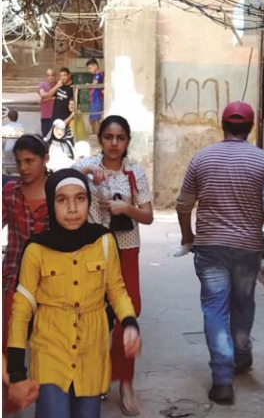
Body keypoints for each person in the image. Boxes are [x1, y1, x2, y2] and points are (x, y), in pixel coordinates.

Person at [6, 168, 142, 418]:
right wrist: (16, 370)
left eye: (79, 198)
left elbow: (117, 290)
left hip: (91, 350)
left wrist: (130, 323)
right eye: (62, 200)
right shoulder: (36, 250)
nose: (72, 209)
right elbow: (21, 310)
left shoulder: (104, 242)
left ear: (88, 201)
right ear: (51, 203)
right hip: (50, 348)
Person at [176, 101, 264, 405]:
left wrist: (187, 234)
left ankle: (223, 380)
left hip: (210, 248)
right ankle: (240, 354)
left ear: (222, 126)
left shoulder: (201, 158)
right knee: (243, 303)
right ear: (250, 128)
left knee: (215, 308)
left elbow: (183, 204)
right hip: (248, 249)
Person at [73, 115, 153, 415]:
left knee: (129, 311)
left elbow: (148, 216)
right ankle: (97, 374)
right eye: (108, 137)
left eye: (120, 138)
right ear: (100, 139)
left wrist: (126, 208)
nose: (114, 144)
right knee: (92, 313)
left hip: (126, 248)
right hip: (92, 248)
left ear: (127, 141)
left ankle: (125, 382)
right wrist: (85, 171)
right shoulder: (88, 165)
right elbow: (60, 181)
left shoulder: (135, 171)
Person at [2, 135, 50, 351]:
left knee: (49, 347)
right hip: (14, 277)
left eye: (29, 161)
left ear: (45, 159)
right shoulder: (10, 192)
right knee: (9, 342)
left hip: (50, 280)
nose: (23, 167)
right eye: (19, 162)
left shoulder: (59, 194)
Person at [86, 58, 104, 135]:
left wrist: (88, 85)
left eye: (90, 68)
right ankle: (95, 134)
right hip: (94, 99)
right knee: (92, 119)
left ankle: (97, 135)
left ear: (95, 66)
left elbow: (94, 84)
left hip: (97, 99)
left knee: (96, 120)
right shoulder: (96, 75)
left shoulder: (98, 74)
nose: (89, 70)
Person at [38, 69, 56, 137]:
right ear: (46, 77)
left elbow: (44, 97)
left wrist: (47, 97)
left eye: (52, 75)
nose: (51, 77)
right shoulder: (42, 84)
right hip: (45, 116)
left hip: (56, 116)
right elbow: (42, 94)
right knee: (45, 137)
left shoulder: (58, 85)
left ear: (55, 76)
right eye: (49, 75)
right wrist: (53, 97)